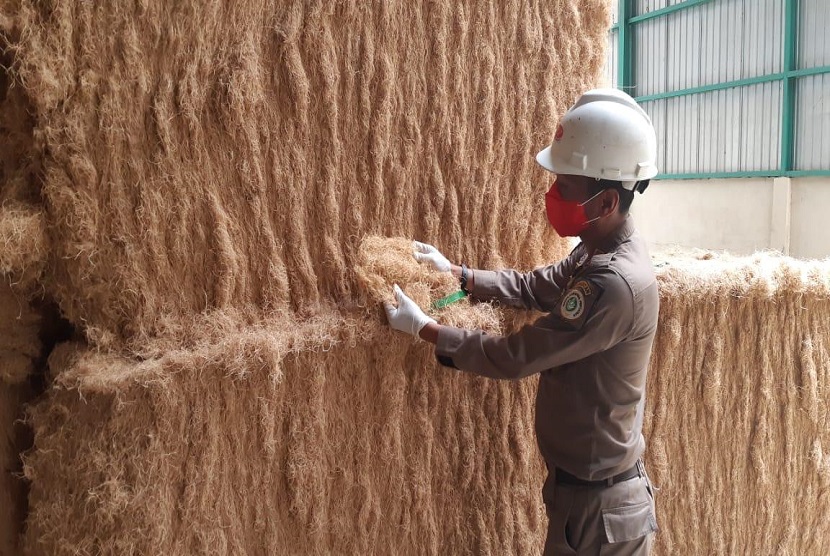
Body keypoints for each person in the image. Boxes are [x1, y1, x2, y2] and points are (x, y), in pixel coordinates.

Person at [384, 89, 661, 555]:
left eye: (565, 186)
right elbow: (536, 287)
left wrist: (426, 329)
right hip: (583, 497)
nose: (552, 194)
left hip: (601, 513)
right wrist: (458, 274)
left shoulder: (614, 284)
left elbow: (518, 356)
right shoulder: (596, 251)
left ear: (607, 201)